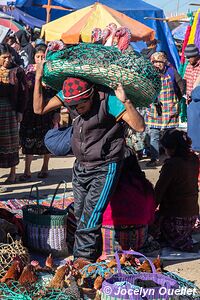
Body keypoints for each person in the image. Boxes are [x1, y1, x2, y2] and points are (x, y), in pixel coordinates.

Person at [33, 64, 145, 262]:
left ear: (91, 94)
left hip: (105, 166)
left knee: (91, 216)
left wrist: (125, 101)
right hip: (81, 166)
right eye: (72, 106)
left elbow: (139, 126)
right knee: (79, 213)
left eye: (80, 106)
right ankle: (87, 255)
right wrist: (38, 77)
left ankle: (83, 261)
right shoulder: (69, 94)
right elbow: (38, 108)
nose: (75, 110)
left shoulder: (109, 100)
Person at [102, 148, 156, 256]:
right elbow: (150, 215)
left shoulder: (105, 183)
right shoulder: (144, 184)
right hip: (138, 239)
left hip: (108, 238)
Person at [155, 129, 199, 252]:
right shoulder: (194, 159)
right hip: (192, 217)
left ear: (172, 148)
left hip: (174, 219)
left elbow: (158, 194)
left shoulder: (171, 165)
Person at [19, 45, 59, 181]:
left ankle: (45, 167)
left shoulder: (52, 72)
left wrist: (56, 112)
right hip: (29, 111)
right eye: (38, 56)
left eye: (43, 56)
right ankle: (27, 171)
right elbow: (23, 91)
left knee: (46, 139)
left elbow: (56, 93)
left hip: (47, 110)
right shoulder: (28, 71)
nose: (40, 59)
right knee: (28, 139)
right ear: (34, 57)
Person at [145, 51, 185, 167]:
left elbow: (180, 85)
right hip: (155, 109)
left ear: (164, 62)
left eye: (159, 62)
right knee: (154, 135)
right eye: (154, 62)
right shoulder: (148, 73)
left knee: (170, 135)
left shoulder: (172, 72)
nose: (157, 65)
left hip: (169, 108)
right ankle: (155, 158)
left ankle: (172, 158)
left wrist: (177, 99)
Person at [0, 43, 27, 187]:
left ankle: (12, 173)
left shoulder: (18, 71)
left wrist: (20, 111)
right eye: (3, 57)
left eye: (9, 57)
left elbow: (24, 93)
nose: (7, 60)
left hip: (10, 111)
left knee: (11, 142)